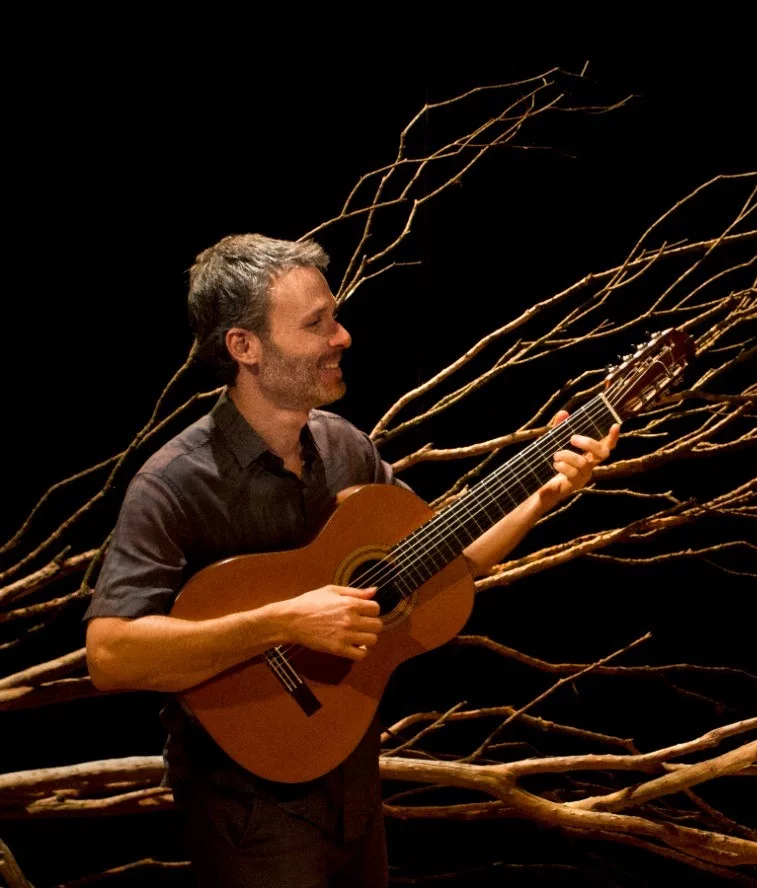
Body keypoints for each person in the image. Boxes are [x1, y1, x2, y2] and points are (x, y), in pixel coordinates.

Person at [83, 234, 619, 887]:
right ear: (245, 347)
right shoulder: (173, 482)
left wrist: (541, 493)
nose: (342, 336)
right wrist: (283, 622)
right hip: (247, 805)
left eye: (334, 316)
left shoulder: (344, 448)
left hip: (351, 772)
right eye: (316, 324)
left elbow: (444, 561)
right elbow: (110, 655)